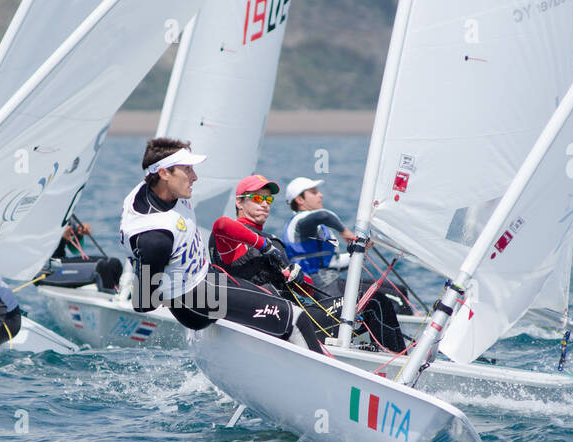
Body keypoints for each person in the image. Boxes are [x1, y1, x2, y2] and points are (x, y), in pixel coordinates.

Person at [118, 138, 324, 353]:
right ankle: (326, 379)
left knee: (274, 298)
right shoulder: (155, 237)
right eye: (187, 169)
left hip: (209, 276)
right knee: (294, 317)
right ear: (164, 173)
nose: (194, 177)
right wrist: (165, 285)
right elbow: (143, 302)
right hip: (197, 300)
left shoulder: (157, 188)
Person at [212, 175, 406, 352]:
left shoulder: (271, 239)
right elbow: (221, 225)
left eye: (268, 199)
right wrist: (263, 245)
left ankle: (391, 361)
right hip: (273, 322)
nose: (264, 204)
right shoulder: (233, 239)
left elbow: (308, 291)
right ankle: (399, 368)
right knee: (375, 302)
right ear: (239, 202)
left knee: (374, 301)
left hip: (294, 317)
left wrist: (298, 277)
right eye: (257, 198)